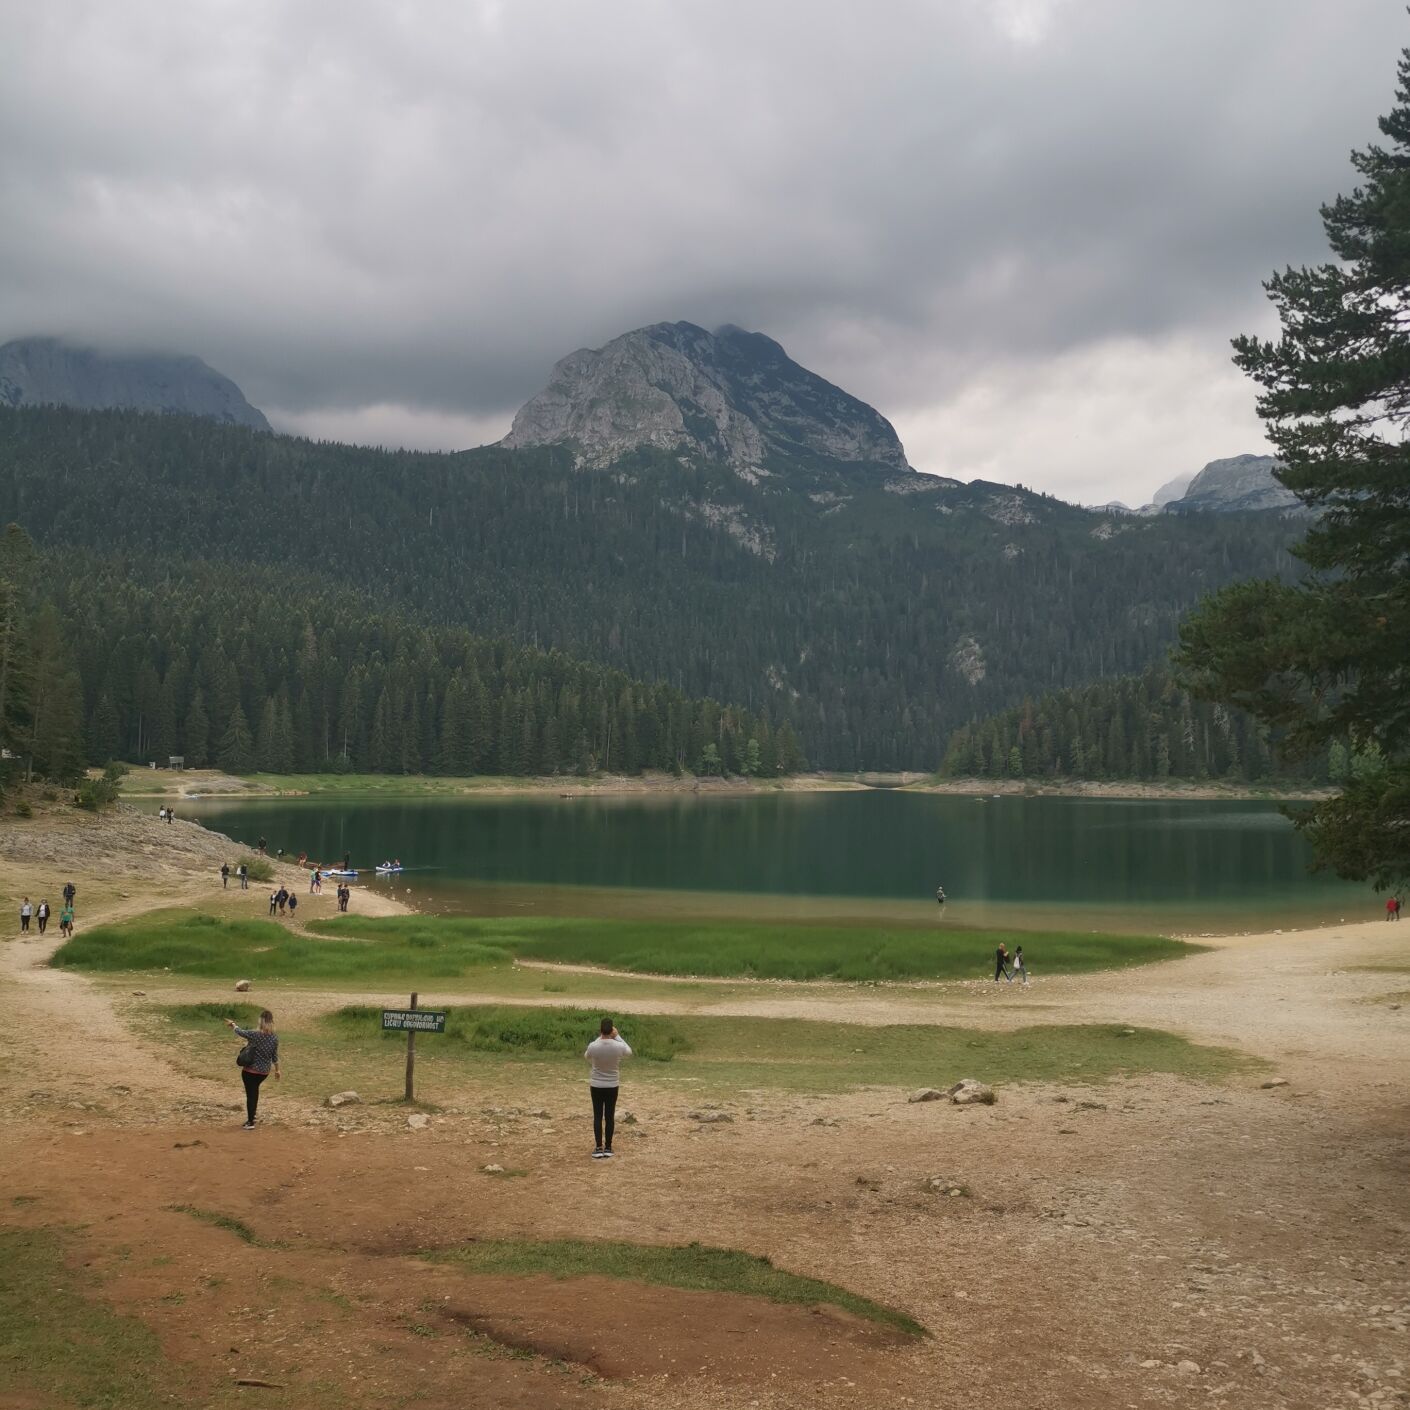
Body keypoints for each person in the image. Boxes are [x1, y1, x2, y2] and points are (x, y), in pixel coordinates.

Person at [583, 1018, 632, 1159]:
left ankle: (598, 1148)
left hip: (596, 1085)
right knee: (609, 1117)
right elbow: (629, 1051)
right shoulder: (618, 1046)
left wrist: (601, 1037)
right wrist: (617, 1036)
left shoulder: (593, 1045)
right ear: (612, 1030)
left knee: (597, 1116)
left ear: (600, 1030)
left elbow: (586, 1056)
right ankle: (608, 1147)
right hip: (612, 1085)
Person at [224, 1010, 280, 1129]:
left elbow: (240, 1032)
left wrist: (233, 1024)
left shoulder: (255, 1034)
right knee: (254, 1092)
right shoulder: (274, 1038)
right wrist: (277, 1070)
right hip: (264, 1072)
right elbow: (274, 1056)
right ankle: (252, 1116)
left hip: (250, 1071)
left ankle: (250, 1122)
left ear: (261, 1021)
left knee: (251, 1095)